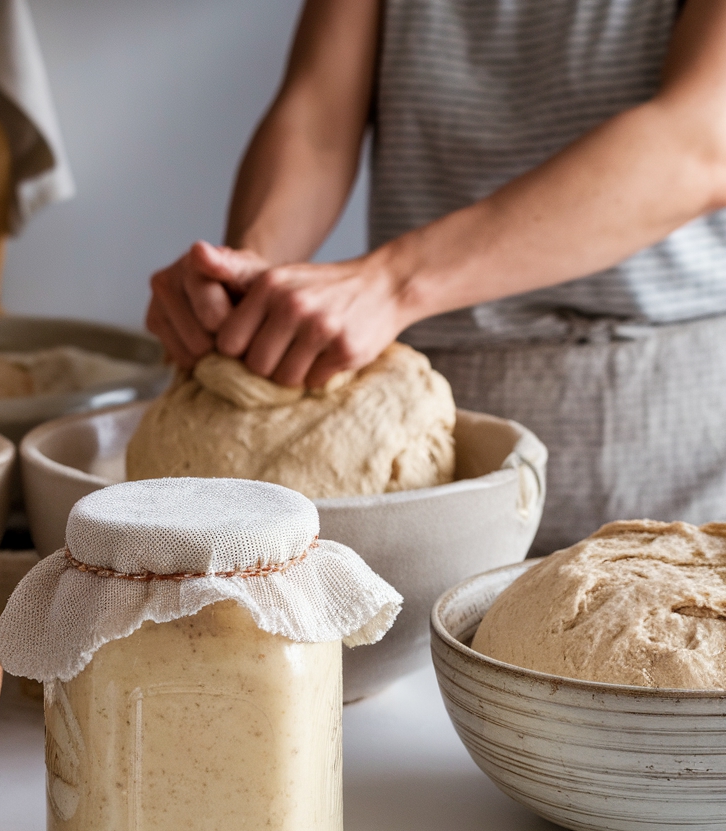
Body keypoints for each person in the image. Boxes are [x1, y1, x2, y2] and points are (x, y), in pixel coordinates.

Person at [145, 0, 726, 552]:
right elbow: (319, 120)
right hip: (420, 434)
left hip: (663, 429)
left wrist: (392, 282)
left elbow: (702, 141)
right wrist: (250, 283)